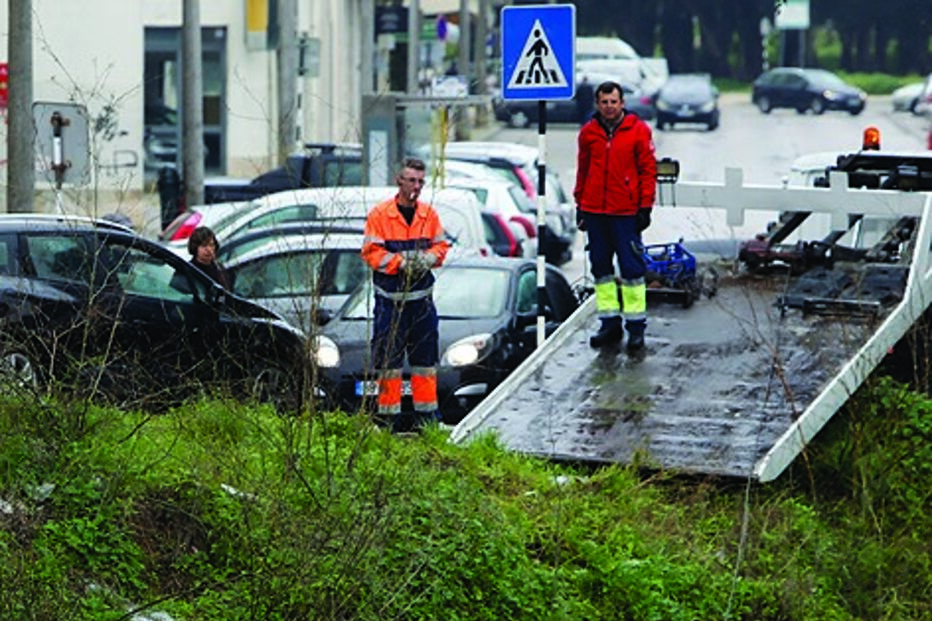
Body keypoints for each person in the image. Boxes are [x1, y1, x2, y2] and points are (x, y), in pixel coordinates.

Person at [361, 157, 450, 431]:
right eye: (411, 180)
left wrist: (426, 260)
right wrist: (401, 263)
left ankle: (427, 418)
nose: (417, 186)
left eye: (421, 181)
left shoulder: (428, 215)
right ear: (399, 180)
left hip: (421, 303)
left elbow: (441, 247)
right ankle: (388, 419)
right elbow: (371, 252)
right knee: (389, 363)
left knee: (425, 364)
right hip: (390, 303)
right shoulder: (380, 215)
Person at [574, 80, 657, 352]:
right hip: (595, 211)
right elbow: (583, 169)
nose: (609, 107)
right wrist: (580, 204)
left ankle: (636, 328)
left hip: (625, 213)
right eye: (604, 102)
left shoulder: (638, 131)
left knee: (632, 271)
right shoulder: (588, 133)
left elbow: (647, 171)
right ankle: (609, 324)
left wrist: (645, 207)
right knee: (601, 270)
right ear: (597, 104)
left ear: (622, 103)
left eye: (614, 101)